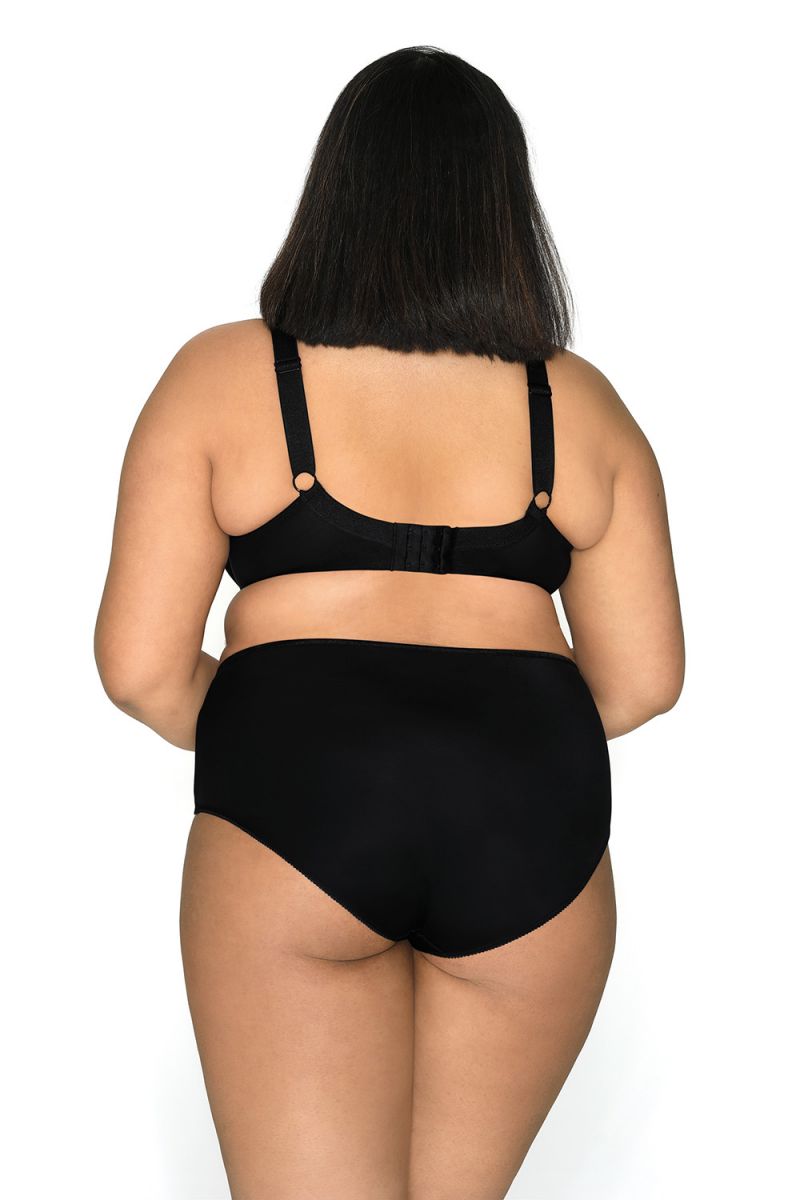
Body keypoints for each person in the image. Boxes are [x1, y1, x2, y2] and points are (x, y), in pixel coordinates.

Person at [94, 44, 684, 1200]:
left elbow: (138, 667)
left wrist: (299, 730)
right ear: (503, 212)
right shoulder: (576, 403)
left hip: (301, 805)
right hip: (532, 820)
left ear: (338, 193)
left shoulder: (223, 375)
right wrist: (476, 733)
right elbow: (643, 680)